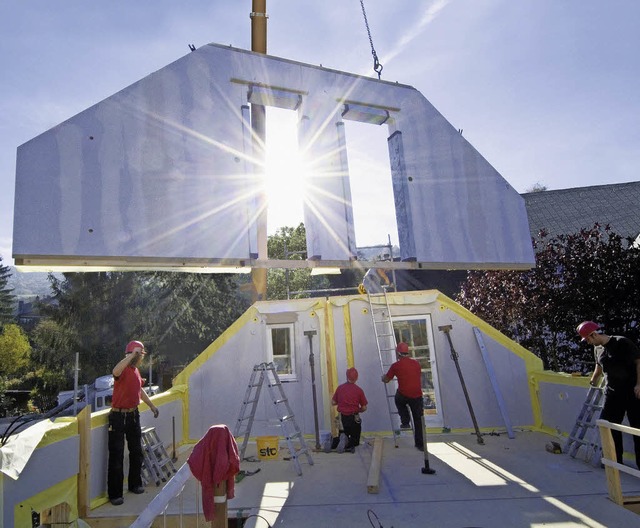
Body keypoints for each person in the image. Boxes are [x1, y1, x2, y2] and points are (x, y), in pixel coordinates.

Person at [577, 321, 640, 469]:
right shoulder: (597, 348)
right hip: (612, 394)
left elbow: (639, 362)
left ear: (594, 334)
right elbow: (599, 366)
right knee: (609, 427)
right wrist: (593, 379)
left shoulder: (622, 342)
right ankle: (615, 462)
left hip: (632, 393)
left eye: (588, 339)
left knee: (637, 428)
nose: (587, 342)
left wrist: (639, 384)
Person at [108, 340, 160, 506]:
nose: (140, 357)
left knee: (136, 451)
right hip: (118, 416)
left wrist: (152, 406)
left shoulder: (135, 371)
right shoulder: (122, 369)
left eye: (140, 354)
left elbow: (140, 391)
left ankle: (135, 484)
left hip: (132, 415)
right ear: (130, 354)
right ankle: (115, 494)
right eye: (138, 354)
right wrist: (131, 355)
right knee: (116, 456)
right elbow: (115, 372)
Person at [382, 342, 424, 450]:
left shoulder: (396, 366)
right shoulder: (416, 364)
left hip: (404, 394)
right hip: (417, 395)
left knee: (398, 399)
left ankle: (405, 421)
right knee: (418, 420)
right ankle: (420, 445)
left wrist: (383, 377)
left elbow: (386, 380)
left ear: (398, 354)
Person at [326, 368, 368, 453]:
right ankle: (347, 443)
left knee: (342, 434)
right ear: (356, 378)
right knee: (355, 440)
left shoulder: (340, 388)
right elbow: (364, 408)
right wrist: (358, 410)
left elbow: (333, 402)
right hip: (353, 418)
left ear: (347, 376)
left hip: (342, 419)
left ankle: (333, 442)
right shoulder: (359, 390)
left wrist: (342, 402)